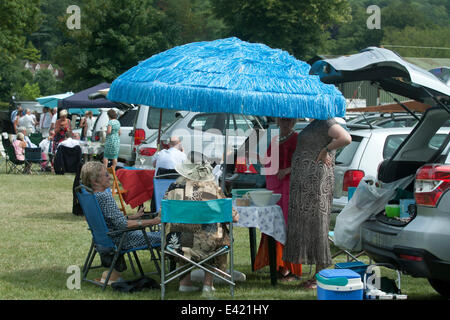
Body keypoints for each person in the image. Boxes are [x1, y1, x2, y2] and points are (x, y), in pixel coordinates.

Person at [283, 118, 351, 289]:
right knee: (307, 224)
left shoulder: (327, 122)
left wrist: (326, 150)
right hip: (305, 184)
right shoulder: (315, 123)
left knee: (318, 224)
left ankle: (321, 275)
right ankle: (316, 274)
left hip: (316, 182)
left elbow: (345, 138)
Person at [160, 162, 239, 296]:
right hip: (209, 244)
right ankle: (207, 285)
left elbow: (161, 215)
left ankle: (185, 284)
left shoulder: (174, 187)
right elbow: (233, 218)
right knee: (213, 234)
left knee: (184, 234)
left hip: (176, 244)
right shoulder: (214, 189)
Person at [80, 161, 161, 284]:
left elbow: (112, 219)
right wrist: (153, 221)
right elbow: (124, 225)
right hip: (121, 239)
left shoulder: (92, 196)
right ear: (95, 181)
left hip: (105, 240)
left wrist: (134, 216)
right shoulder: (105, 197)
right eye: (105, 175)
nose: (110, 177)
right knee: (165, 237)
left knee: (160, 236)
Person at [253, 117, 302, 281]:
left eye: (289, 121)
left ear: (293, 122)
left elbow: (303, 162)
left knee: (288, 225)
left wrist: (287, 170)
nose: (286, 123)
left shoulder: (297, 139)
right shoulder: (275, 139)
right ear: (278, 122)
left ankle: (292, 268)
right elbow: (267, 162)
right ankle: (278, 264)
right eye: (283, 121)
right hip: (273, 186)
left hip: (289, 187)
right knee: (273, 224)